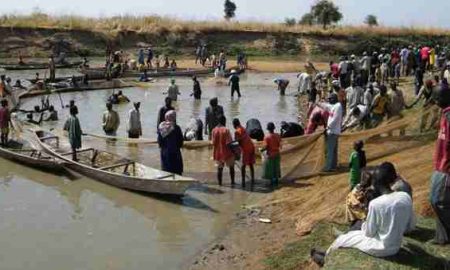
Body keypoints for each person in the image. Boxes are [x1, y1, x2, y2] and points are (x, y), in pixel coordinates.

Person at [311, 163, 415, 266]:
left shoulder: (376, 204)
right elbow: (410, 226)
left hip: (381, 247)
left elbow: (369, 233)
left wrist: (366, 219)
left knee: (342, 239)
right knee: (350, 235)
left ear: (376, 184)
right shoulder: (405, 197)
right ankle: (329, 252)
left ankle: (325, 258)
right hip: (396, 245)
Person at [429, 87, 450, 245]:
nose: (435, 101)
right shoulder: (445, 113)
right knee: (441, 201)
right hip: (440, 164)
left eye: (437, 97)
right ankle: (441, 237)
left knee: (437, 200)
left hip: (446, 167)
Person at [317, 93, 343, 172]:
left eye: (330, 99)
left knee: (330, 150)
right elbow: (326, 106)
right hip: (333, 131)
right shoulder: (334, 106)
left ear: (334, 99)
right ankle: (333, 166)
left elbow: (335, 119)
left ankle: (328, 167)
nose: (329, 100)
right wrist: (318, 103)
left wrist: (328, 127)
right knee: (334, 150)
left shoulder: (338, 106)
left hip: (332, 131)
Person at [157, 110, 184, 175]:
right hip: (175, 152)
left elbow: (159, 141)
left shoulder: (161, 127)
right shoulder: (176, 128)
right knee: (176, 171)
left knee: (166, 171)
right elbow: (180, 142)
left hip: (165, 152)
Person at [212, 115, 235, 186]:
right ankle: (232, 182)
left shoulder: (214, 130)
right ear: (224, 121)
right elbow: (229, 143)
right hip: (227, 152)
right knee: (231, 167)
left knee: (219, 169)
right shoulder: (226, 130)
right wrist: (234, 152)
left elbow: (213, 143)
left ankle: (220, 184)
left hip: (218, 153)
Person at [233, 118, 256, 187]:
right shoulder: (242, 128)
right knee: (251, 164)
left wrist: (233, 151)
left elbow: (237, 143)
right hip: (252, 146)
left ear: (234, 125)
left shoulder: (237, 131)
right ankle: (252, 179)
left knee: (243, 165)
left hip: (246, 149)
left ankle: (243, 182)